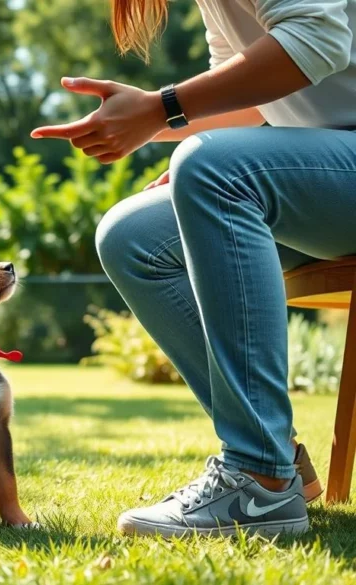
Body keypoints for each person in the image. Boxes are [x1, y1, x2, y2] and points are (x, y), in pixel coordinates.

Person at [31, 0, 356, 537]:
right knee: (132, 237)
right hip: (328, 179)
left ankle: (258, 478)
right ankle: (279, 457)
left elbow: (316, 38)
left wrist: (172, 124)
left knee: (209, 165)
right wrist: (154, 132)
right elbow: (255, 92)